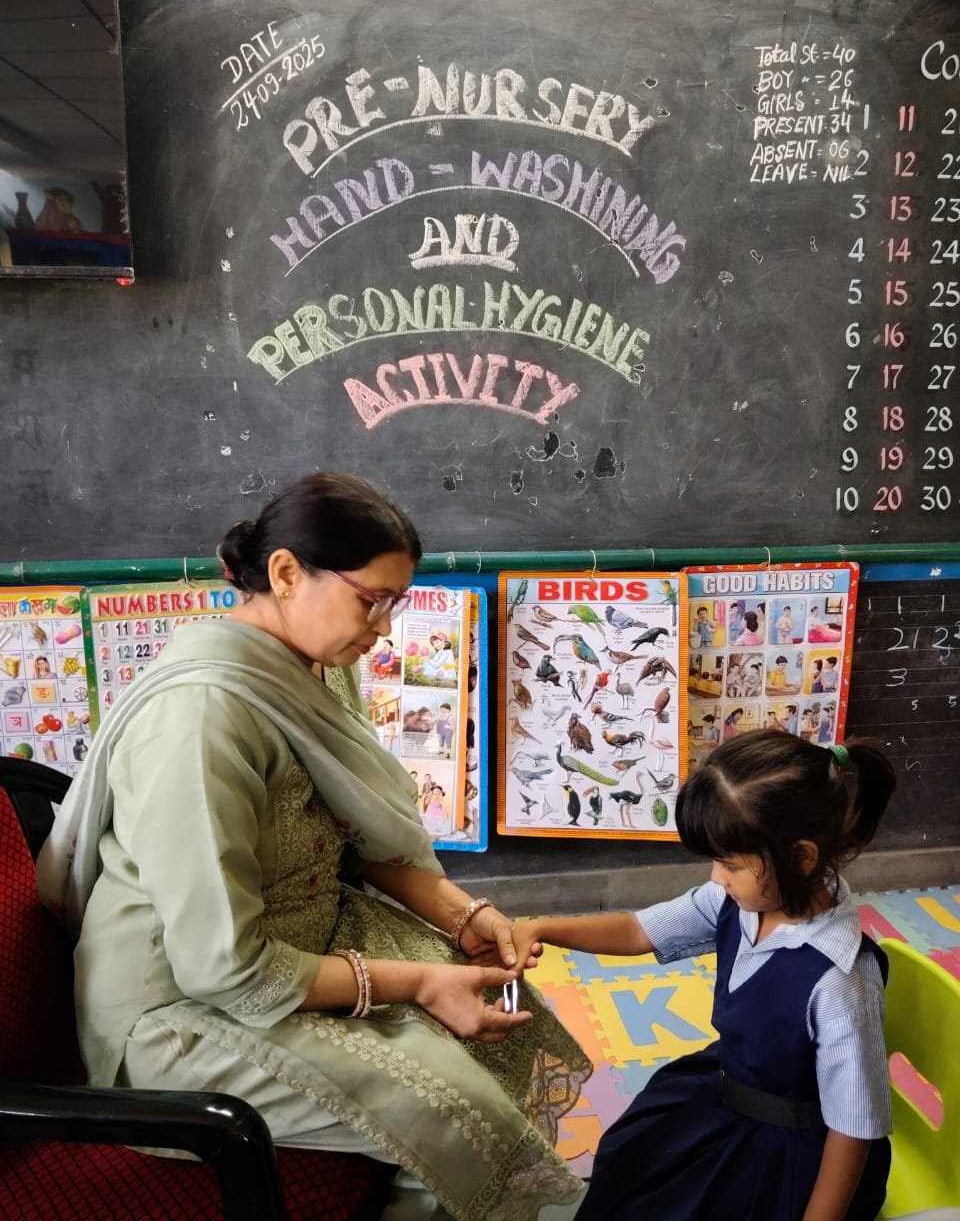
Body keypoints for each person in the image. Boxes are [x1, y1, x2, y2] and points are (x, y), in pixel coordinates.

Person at [35, 472, 589, 1221]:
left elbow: (361, 842)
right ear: (287, 573)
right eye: (372, 601)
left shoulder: (316, 668)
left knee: (506, 1018)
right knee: (456, 1109)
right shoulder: (201, 721)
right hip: (182, 1013)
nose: (384, 629)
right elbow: (225, 969)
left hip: (302, 938)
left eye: (395, 604)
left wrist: (466, 918)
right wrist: (419, 984)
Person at [512, 732, 896, 1221]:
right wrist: (543, 927)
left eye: (730, 864)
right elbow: (638, 930)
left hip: (790, 1157)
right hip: (724, 1092)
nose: (716, 876)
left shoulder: (842, 980)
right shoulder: (736, 901)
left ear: (801, 857)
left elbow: (853, 1129)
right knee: (632, 1165)